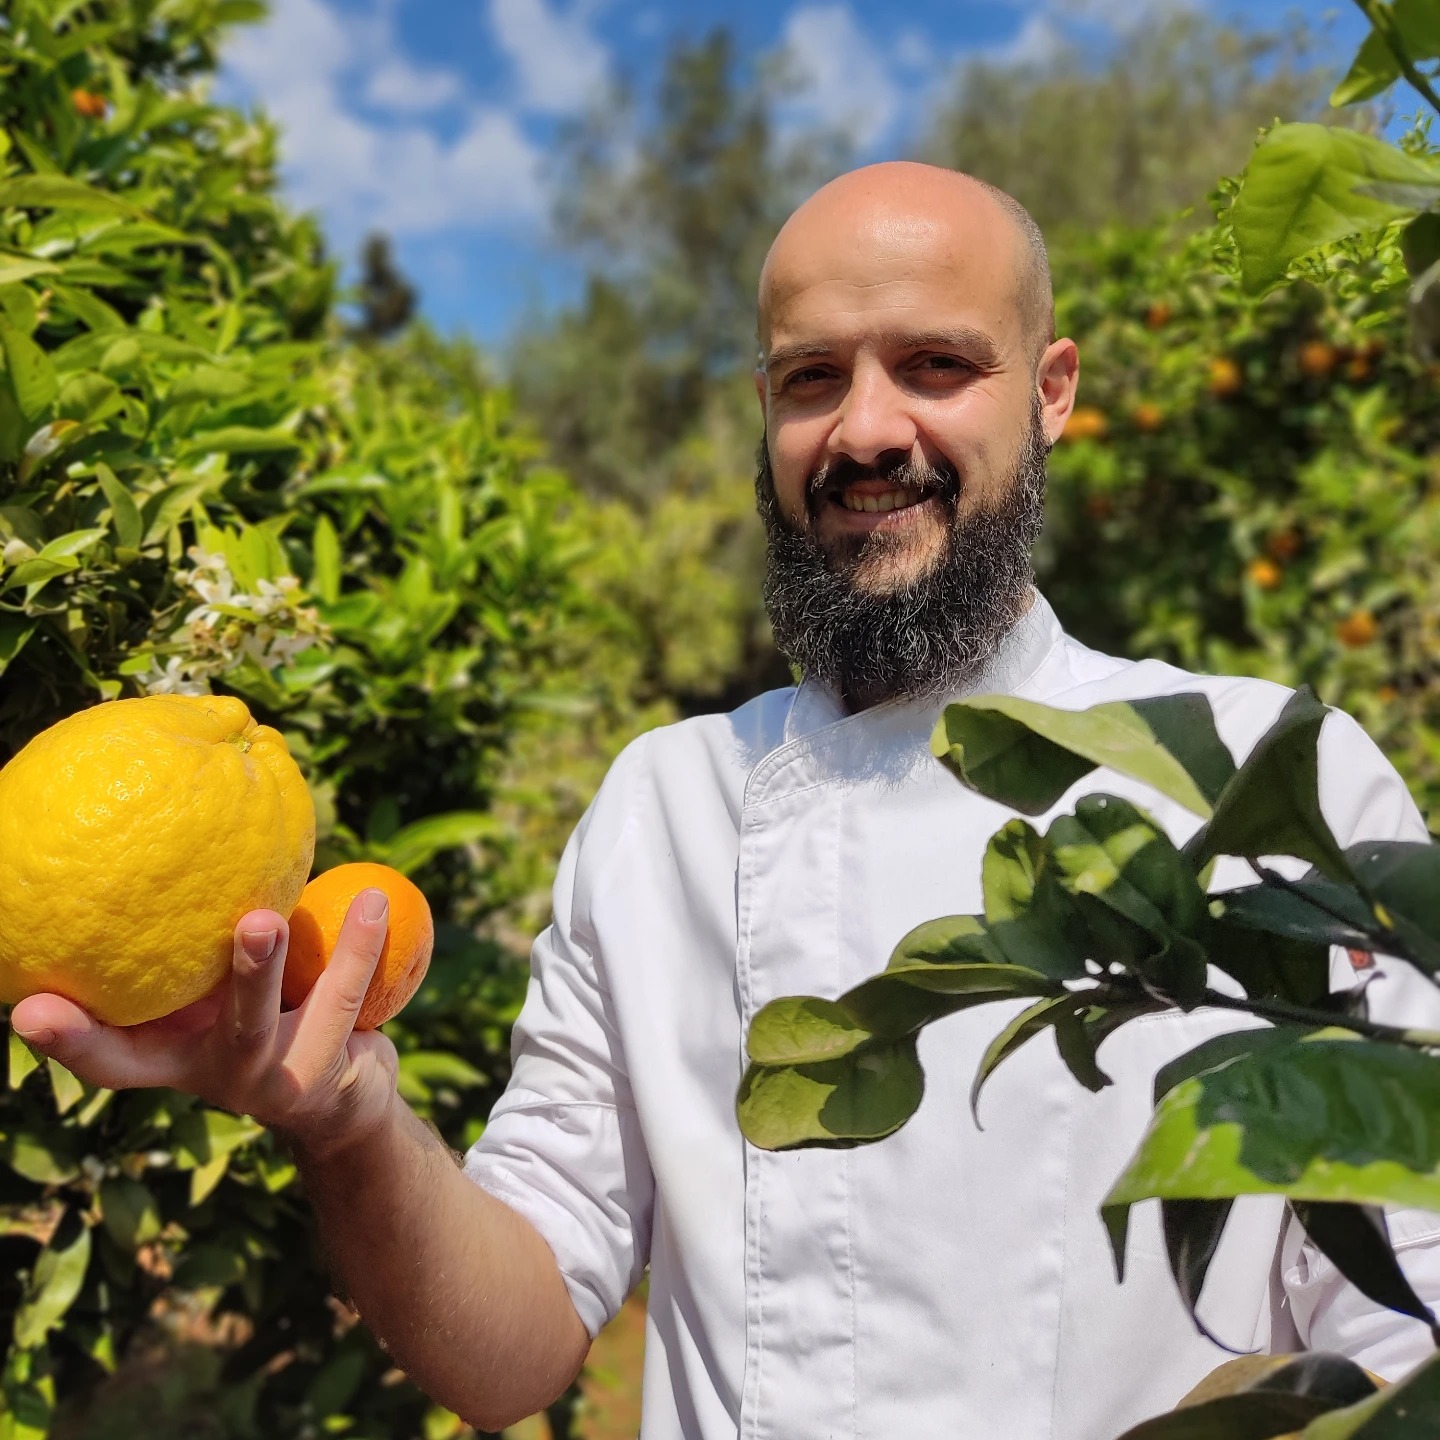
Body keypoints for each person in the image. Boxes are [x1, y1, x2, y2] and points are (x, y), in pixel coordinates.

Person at [13, 162, 1440, 1439]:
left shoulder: (1264, 781)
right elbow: (511, 1351)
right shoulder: (663, 807)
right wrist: (346, 1123)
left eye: (936, 364)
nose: (865, 429)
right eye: (812, 378)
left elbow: (1405, 1330)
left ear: (1052, 389)